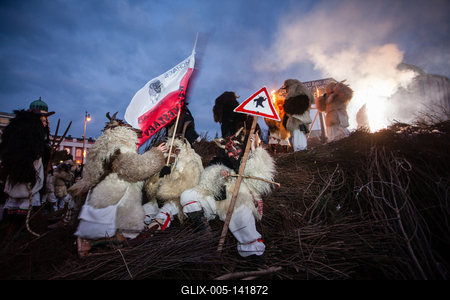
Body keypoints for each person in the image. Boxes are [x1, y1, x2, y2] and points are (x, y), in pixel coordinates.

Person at [69, 112, 168, 256]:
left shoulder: (104, 148)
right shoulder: (120, 148)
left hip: (103, 194)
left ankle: (88, 243)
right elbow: (136, 168)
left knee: (105, 229)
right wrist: (156, 153)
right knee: (128, 231)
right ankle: (87, 244)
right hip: (117, 197)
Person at [179, 127, 276, 264]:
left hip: (237, 201)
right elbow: (207, 183)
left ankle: (254, 255)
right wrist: (219, 174)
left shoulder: (248, 162)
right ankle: (203, 230)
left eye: (236, 149)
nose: (234, 153)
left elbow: (259, 179)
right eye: (230, 151)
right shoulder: (217, 163)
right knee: (188, 195)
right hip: (216, 199)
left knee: (244, 219)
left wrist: (255, 149)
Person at [0, 106, 54, 235]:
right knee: (23, 198)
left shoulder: (32, 139)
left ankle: (16, 228)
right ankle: (17, 228)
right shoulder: (27, 141)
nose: (45, 123)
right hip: (25, 175)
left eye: (46, 122)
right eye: (43, 121)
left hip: (23, 174)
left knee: (19, 198)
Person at [281, 79, 315, 151]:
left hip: (298, 122)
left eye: (286, 88)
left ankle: (301, 155)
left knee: (299, 142)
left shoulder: (299, 97)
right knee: (297, 141)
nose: (286, 91)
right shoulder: (301, 94)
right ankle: (300, 154)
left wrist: (287, 105)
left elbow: (294, 109)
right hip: (297, 121)